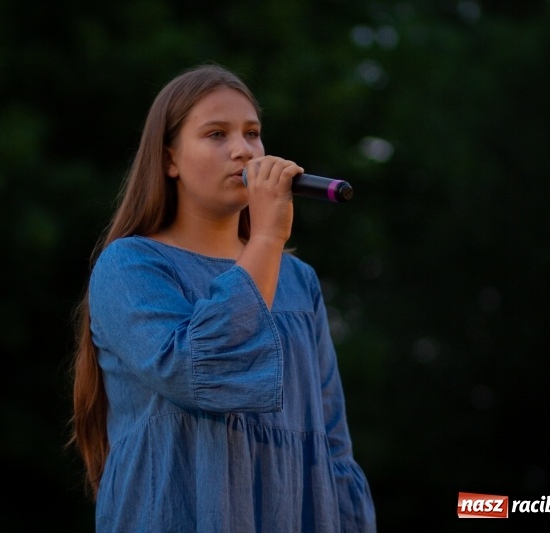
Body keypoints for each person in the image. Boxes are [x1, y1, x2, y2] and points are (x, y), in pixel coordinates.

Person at [69, 63, 377, 532]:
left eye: (252, 133)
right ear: (169, 158)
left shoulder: (298, 281)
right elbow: (200, 370)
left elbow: (332, 443)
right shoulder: (130, 266)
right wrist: (267, 238)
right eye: (216, 134)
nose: (243, 150)